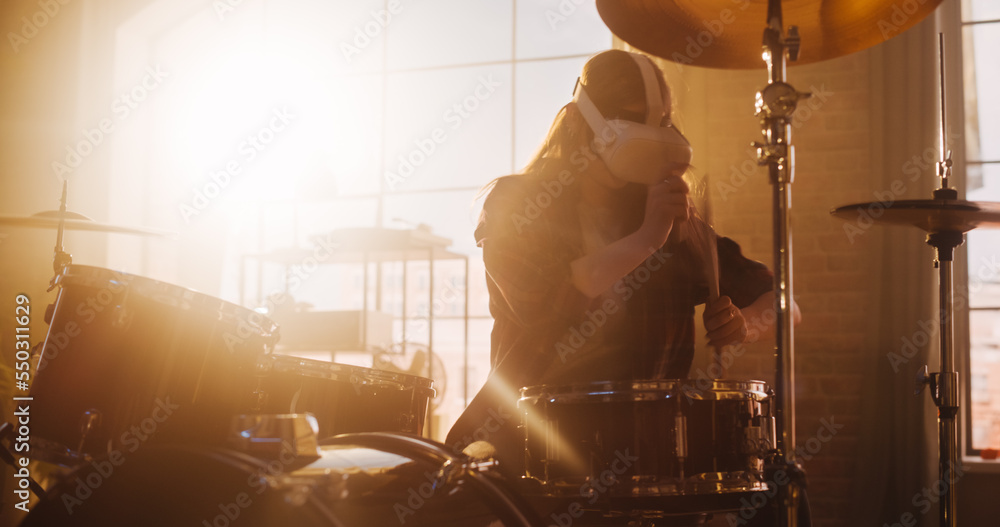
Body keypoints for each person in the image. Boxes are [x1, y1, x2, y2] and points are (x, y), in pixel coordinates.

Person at [446, 49, 796, 481]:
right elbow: (542, 304)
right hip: (529, 449)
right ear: (580, 120)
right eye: (630, 119)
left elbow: (783, 303)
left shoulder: (672, 215)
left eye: (660, 122)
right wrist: (648, 239)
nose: (647, 136)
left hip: (646, 455)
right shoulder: (518, 205)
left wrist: (745, 323)